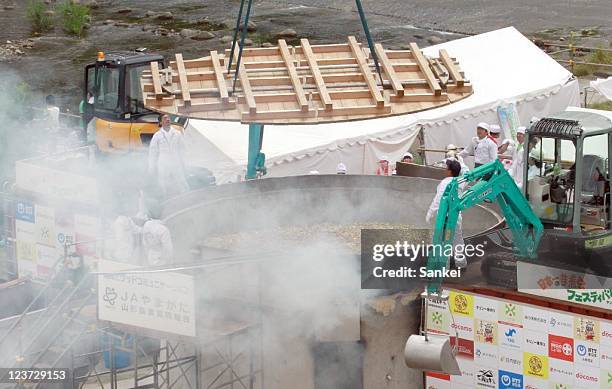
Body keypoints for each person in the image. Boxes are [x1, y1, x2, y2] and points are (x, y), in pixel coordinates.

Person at [426, 159, 466, 268]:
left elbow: (438, 200)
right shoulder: (461, 181)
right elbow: (466, 170)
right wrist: (460, 161)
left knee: (445, 241)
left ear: (449, 171)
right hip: (457, 217)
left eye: (446, 168)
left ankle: (445, 268)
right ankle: (461, 264)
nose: (445, 170)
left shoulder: (444, 182)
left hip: (446, 218)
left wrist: (430, 213)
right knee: (458, 240)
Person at [148, 114, 190, 199]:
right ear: (160, 122)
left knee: (181, 181)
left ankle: (187, 198)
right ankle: (165, 200)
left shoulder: (177, 133)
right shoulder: (157, 135)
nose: (167, 119)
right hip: (163, 162)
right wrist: (151, 168)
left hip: (175, 161)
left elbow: (183, 149)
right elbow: (152, 153)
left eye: (168, 118)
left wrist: (185, 163)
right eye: (165, 118)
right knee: (163, 183)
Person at [141, 202, 173, 267]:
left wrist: (148, 254)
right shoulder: (163, 230)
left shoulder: (146, 225)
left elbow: (145, 244)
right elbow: (168, 249)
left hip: (150, 257)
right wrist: (168, 261)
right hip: (161, 261)